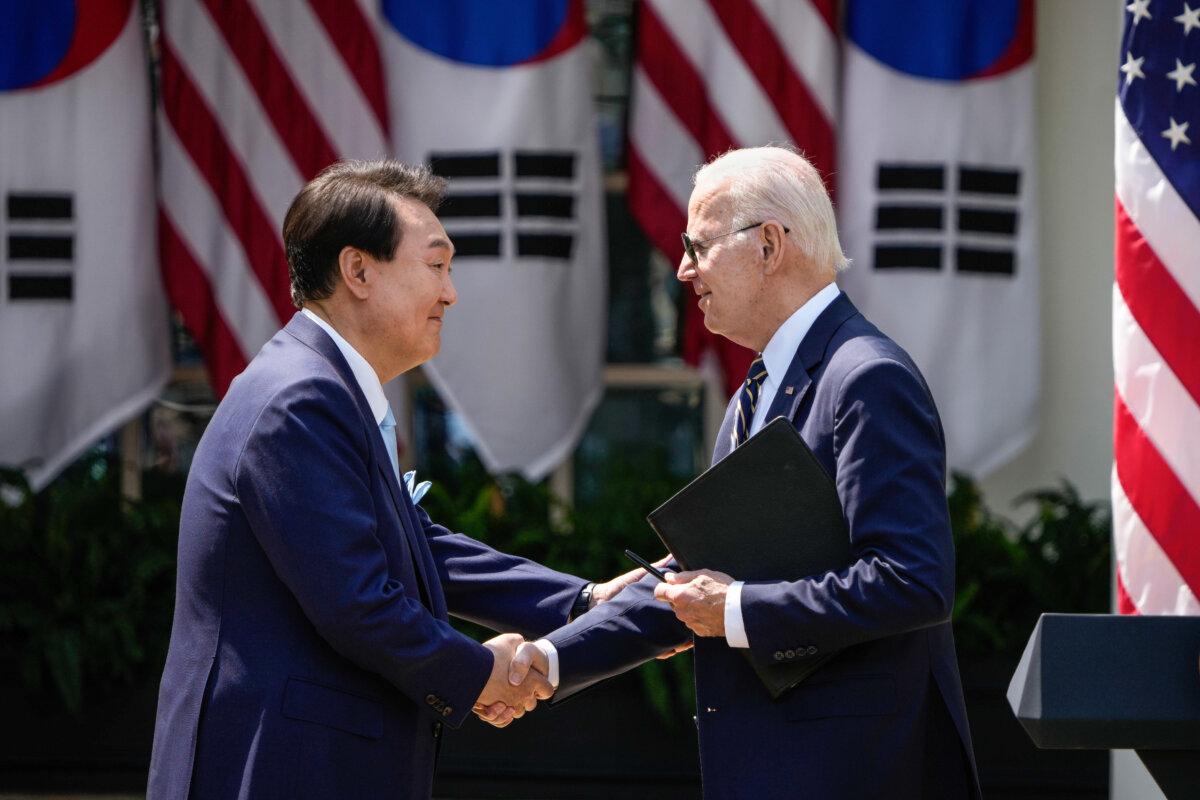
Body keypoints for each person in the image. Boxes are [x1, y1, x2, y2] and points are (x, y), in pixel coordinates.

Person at [146, 160, 646, 800]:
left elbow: (418, 547)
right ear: (358, 271)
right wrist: (480, 671)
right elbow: (358, 603)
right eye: (435, 265)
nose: (450, 292)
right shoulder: (299, 400)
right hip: (279, 766)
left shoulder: (320, 386)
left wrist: (583, 601)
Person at [508, 146, 981, 799]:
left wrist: (733, 608)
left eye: (696, 245)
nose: (681, 269)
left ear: (768, 246)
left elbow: (911, 580)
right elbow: (700, 581)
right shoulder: (754, 393)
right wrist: (550, 659)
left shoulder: (866, 377)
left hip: (855, 770)